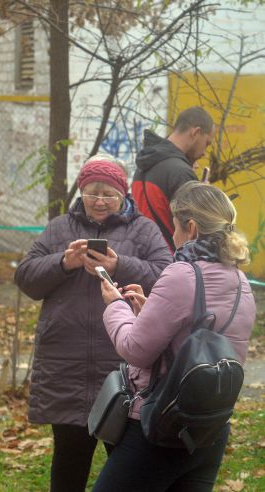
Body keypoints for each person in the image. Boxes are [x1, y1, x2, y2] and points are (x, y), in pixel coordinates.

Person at [14, 154, 172, 492]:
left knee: (127, 465)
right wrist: (63, 262)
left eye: (109, 194)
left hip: (122, 366)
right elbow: (26, 278)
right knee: (69, 461)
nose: (100, 201)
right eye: (91, 193)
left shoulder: (144, 230)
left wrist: (121, 266)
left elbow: (166, 278)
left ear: (123, 195)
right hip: (64, 366)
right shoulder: (59, 228)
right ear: (81, 193)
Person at [94, 182, 255, 491]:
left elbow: (135, 349)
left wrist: (115, 304)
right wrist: (147, 312)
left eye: (175, 227)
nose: (173, 236)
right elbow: (201, 342)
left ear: (191, 227)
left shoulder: (182, 273)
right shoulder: (240, 280)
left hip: (161, 423)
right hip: (210, 428)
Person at [132, 106, 215, 251]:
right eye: (206, 143)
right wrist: (205, 197)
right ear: (196, 132)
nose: (204, 153)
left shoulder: (143, 165)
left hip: (141, 257)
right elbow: (195, 230)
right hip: (170, 261)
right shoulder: (180, 172)